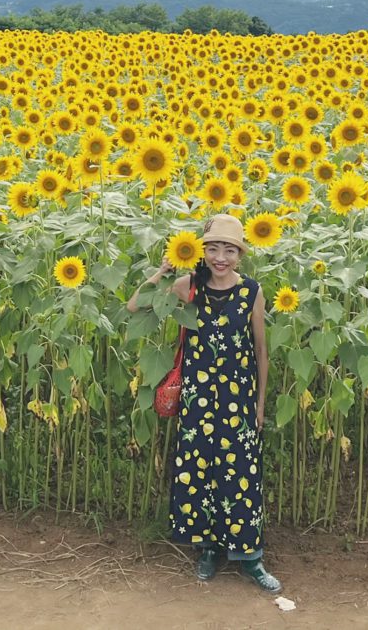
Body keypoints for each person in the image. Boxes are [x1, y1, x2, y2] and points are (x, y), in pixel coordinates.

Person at [127, 213, 281, 592]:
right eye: (213, 248)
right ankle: (209, 551)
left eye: (229, 250)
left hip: (238, 399)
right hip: (198, 400)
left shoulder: (251, 291)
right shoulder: (188, 286)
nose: (220, 257)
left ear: (239, 255)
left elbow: (261, 350)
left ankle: (251, 558)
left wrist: (260, 404)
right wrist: (164, 269)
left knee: (242, 475)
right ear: (202, 251)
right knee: (201, 473)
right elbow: (135, 307)